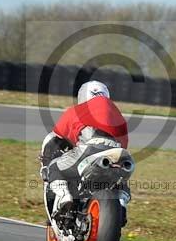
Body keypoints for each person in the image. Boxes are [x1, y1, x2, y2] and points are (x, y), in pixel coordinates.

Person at [40, 81, 129, 219]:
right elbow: (124, 143)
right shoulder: (118, 115)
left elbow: (54, 138)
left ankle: (65, 197)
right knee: (120, 179)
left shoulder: (77, 110)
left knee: (54, 167)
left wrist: (45, 164)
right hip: (118, 153)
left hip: (89, 149)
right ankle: (121, 203)